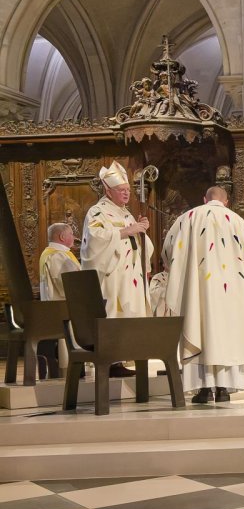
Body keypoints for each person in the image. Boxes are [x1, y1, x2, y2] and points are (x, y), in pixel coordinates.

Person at [162, 186, 244, 403]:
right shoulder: (237, 221)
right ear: (226, 202)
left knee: (199, 328)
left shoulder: (188, 218)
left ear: (204, 199)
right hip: (229, 293)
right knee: (225, 333)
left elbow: (168, 249)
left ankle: (203, 390)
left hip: (197, 291)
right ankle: (224, 388)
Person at [81, 161, 153, 378]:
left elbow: (139, 244)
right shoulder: (97, 212)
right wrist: (126, 231)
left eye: (128, 191)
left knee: (130, 312)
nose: (126, 194)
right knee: (114, 312)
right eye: (121, 190)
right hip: (112, 275)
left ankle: (124, 356)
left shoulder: (126, 213)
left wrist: (141, 231)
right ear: (108, 190)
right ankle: (111, 361)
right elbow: (93, 241)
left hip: (131, 275)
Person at [37, 222, 81, 378]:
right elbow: (67, 284)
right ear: (62, 237)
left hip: (57, 305)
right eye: (71, 234)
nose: (74, 237)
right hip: (62, 307)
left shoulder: (52, 253)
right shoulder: (57, 255)